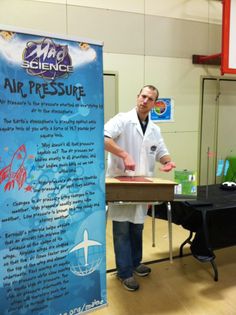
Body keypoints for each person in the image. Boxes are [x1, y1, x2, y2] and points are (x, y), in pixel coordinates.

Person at [104, 85, 176, 291]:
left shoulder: (154, 128)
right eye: (143, 96)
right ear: (137, 97)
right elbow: (103, 137)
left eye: (150, 98)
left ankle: (136, 263)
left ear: (154, 104)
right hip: (121, 184)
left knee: (137, 228)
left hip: (144, 186)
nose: (145, 100)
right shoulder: (122, 120)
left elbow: (161, 150)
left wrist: (168, 162)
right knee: (122, 231)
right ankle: (124, 273)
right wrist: (124, 155)